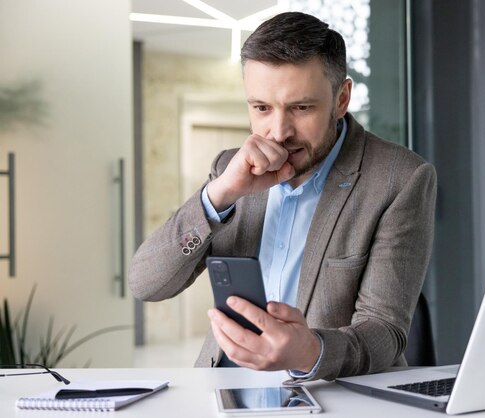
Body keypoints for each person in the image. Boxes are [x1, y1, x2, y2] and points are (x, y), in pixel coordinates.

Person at [129, 11, 436, 382]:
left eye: (301, 108)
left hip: (328, 393)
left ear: (341, 99)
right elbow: (146, 284)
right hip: (225, 387)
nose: (278, 131)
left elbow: (386, 332)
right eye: (261, 108)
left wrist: (310, 351)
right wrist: (220, 194)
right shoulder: (230, 169)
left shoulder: (399, 179)